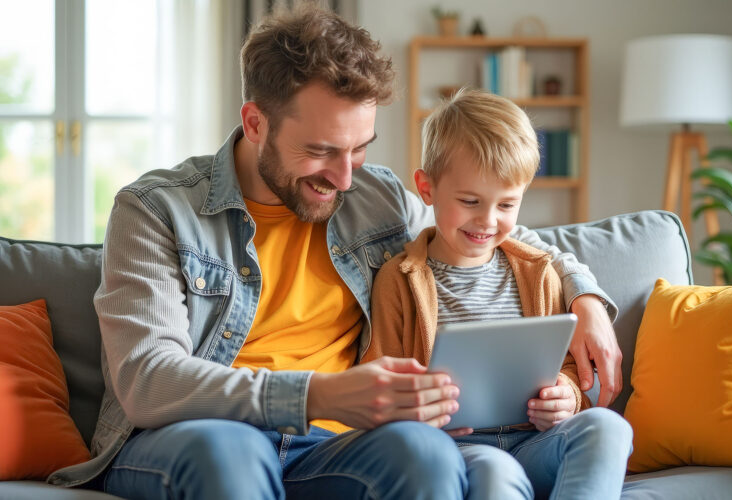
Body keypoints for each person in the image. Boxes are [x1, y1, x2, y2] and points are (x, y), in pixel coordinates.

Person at [52, 5, 621, 499]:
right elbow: (149, 382)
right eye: (322, 151)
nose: (346, 178)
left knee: (427, 455)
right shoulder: (155, 210)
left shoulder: (378, 198)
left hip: (329, 445)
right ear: (255, 123)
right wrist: (318, 393)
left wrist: (585, 296)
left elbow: (491, 229)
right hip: (193, 436)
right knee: (231, 454)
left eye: (359, 149)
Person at [363, 88, 632, 499]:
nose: (487, 220)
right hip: (459, 448)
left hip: (536, 442)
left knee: (610, 426)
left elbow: (569, 371)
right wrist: (418, 417)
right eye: (470, 200)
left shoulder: (538, 273)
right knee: (495, 473)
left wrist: (567, 395)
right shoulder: (398, 281)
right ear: (427, 188)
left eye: (507, 205)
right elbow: (380, 380)